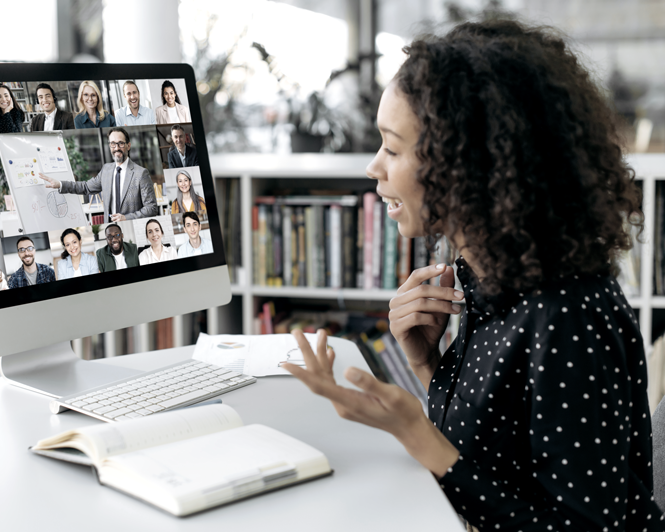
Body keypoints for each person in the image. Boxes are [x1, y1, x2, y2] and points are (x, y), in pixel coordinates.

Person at [281, 20, 665, 532]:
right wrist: (426, 366)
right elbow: (495, 454)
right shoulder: (487, 275)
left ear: (467, 165)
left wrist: (417, 434)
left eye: (393, 149)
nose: (375, 166)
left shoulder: (569, 316)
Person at [40, 128, 157, 222]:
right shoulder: (106, 169)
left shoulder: (141, 173)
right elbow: (86, 187)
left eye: (120, 143)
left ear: (128, 145)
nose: (116, 148)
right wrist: (60, 184)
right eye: (113, 144)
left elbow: (151, 208)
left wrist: (126, 218)